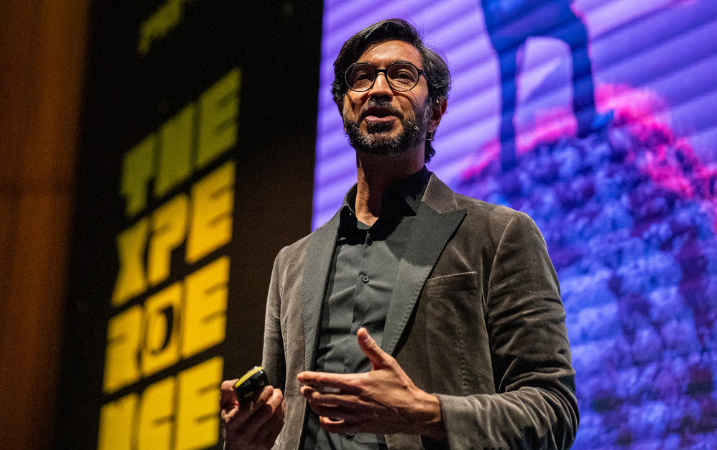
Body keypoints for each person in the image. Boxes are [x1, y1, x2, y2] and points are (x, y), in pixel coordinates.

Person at [220, 18, 577, 450]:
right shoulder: (292, 263)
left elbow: (553, 409)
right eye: (362, 78)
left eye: (403, 76)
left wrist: (425, 412)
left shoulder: (500, 235)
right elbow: (279, 421)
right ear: (344, 106)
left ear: (436, 113)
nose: (379, 89)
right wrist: (246, 440)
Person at [481, 0, 612, 172]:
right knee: (577, 32)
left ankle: (508, 163)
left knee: (508, 93)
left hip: (502, 23)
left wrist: (494, 31)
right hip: (517, 17)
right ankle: (586, 120)